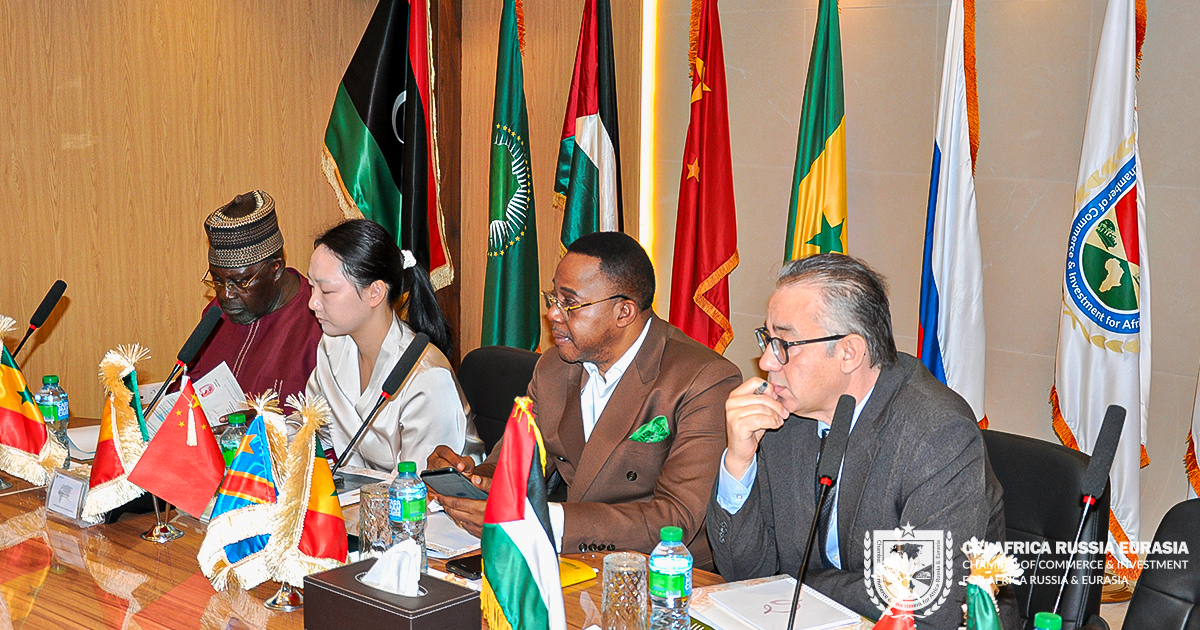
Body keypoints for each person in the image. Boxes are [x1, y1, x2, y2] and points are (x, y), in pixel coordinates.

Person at [706, 254, 1014, 629]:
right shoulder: (784, 416)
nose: (768, 361)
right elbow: (745, 575)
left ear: (849, 352)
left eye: (785, 343)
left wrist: (801, 583)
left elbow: (925, 604)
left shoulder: (937, 433)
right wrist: (739, 461)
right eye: (768, 339)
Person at [429, 231, 741, 570]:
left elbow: (675, 517)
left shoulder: (704, 380)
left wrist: (544, 520)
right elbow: (515, 466)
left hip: (664, 575)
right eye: (553, 298)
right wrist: (472, 481)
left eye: (570, 303)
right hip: (572, 561)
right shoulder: (554, 367)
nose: (553, 314)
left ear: (624, 312)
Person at [305, 219, 483, 473]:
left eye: (326, 291)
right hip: (361, 494)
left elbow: (420, 485)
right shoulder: (332, 346)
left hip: (425, 497)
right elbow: (312, 428)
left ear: (375, 293)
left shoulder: (428, 377)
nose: (312, 302)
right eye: (312, 287)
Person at [191, 191, 323, 405]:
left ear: (275, 268)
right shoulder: (216, 315)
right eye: (217, 281)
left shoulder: (319, 323)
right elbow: (187, 389)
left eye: (240, 282)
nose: (225, 295)